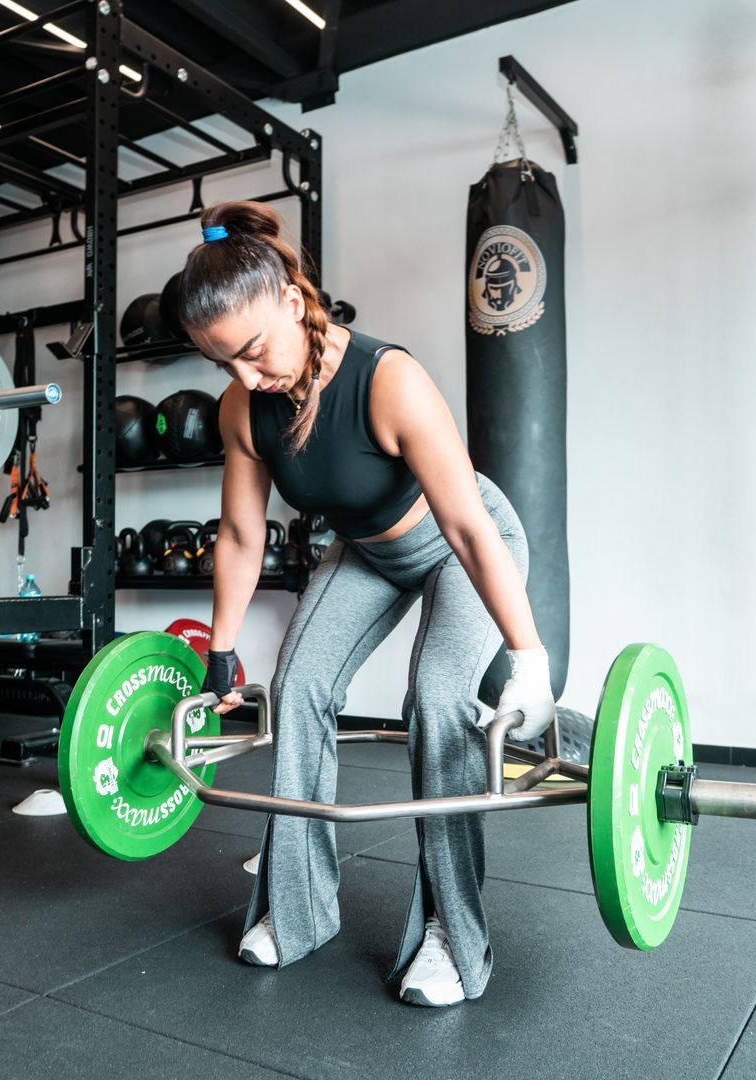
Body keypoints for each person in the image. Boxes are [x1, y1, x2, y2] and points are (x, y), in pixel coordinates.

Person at [183, 201, 558, 1007]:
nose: (248, 378)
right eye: (226, 365)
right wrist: (219, 654)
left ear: (290, 301)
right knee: (300, 687)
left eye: (252, 352)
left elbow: (464, 523)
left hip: (464, 543)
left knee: (436, 698)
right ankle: (297, 911)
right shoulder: (245, 408)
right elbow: (241, 535)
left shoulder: (390, 381)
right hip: (368, 553)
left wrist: (528, 659)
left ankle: (454, 938)